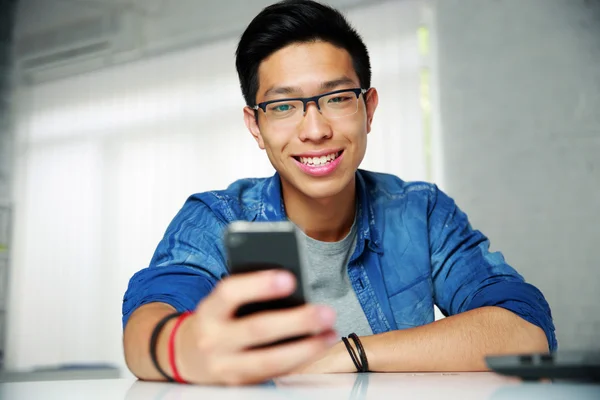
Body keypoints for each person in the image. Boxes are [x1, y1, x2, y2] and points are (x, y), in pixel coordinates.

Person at [122, 0, 556, 386]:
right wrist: (187, 347)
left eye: (337, 98)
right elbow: (147, 327)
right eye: (283, 106)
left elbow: (524, 331)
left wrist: (349, 354)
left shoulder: (420, 212)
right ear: (256, 125)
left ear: (368, 109)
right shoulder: (216, 218)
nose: (315, 131)